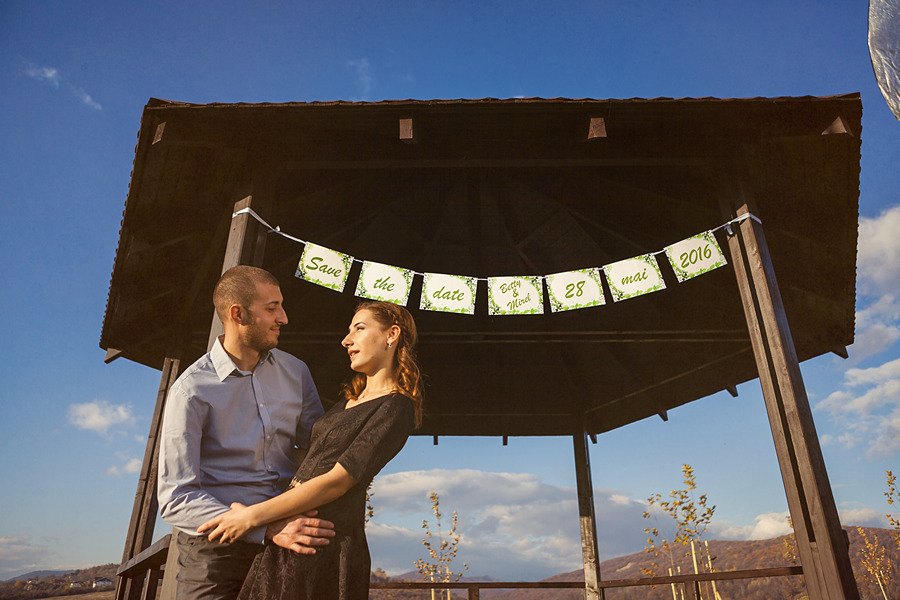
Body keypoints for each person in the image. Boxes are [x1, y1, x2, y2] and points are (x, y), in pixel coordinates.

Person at [198, 300, 424, 600]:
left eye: (359, 328)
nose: (347, 340)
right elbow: (308, 459)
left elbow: (337, 480)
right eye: (348, 331)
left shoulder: (396, 407)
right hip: (288, 530)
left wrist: (252, 517)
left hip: (323, 540)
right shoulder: (347, 401)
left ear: (391, 334)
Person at [158, 265, 336, 600]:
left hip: (289, 534)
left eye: (280, 306)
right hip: (213, 549)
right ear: (237, 314)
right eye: (272, 308)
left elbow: (320, 448)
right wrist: (264, 528)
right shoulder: (191, 391)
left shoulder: (296, 372)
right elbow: (176, 498)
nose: (283, 317)